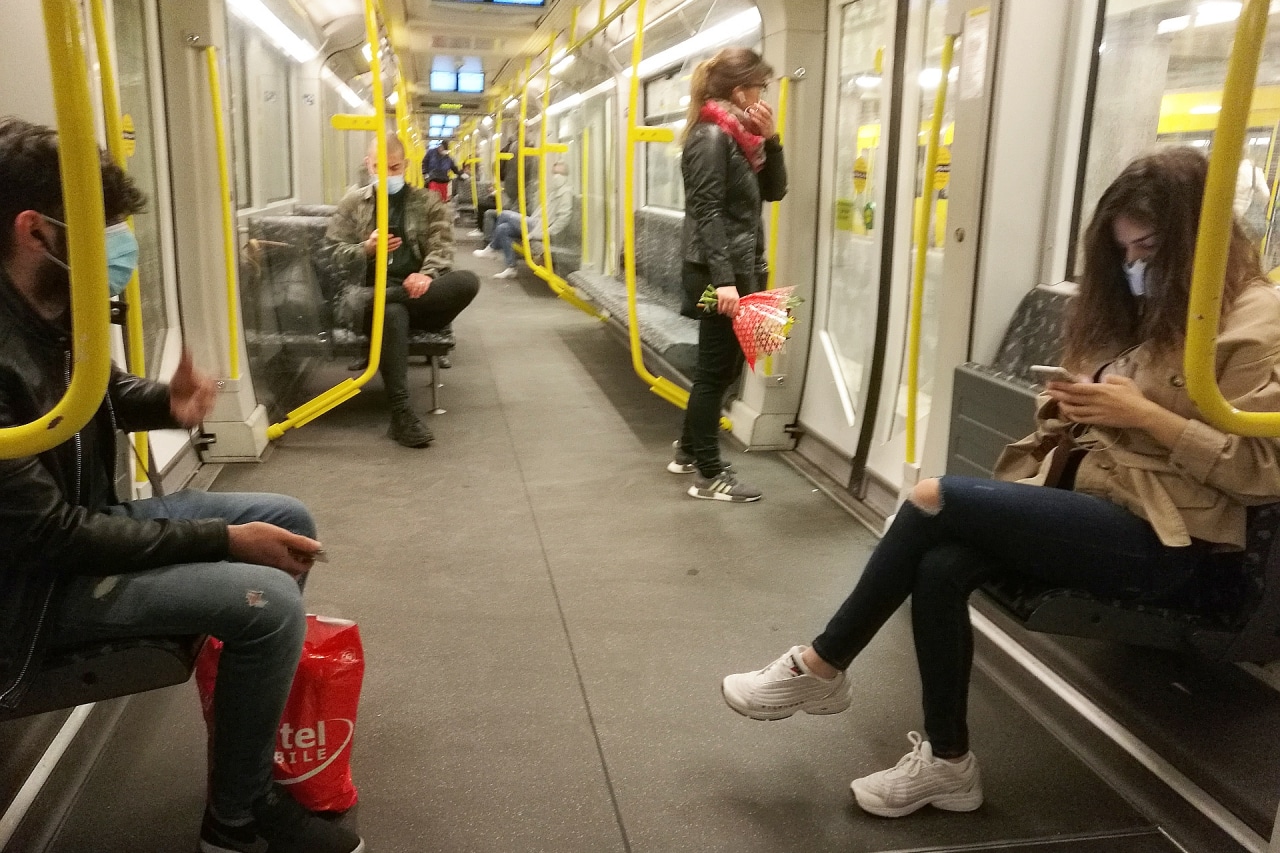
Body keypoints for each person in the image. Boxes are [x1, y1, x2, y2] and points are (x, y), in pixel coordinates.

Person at [720, 147, 1280, 817]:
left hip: (1174, 539)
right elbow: (1103, 414)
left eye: (1149, 249)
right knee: (942, 566)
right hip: (1096, 501)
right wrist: (1076, 403)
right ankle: (948, 764)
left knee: (932, 498)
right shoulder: (1153, 307)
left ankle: (820, 665)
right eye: (1125, 251)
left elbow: (1261, 473)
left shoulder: (1257, 322)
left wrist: (1145, 416)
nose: (1135, 266)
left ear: (1198, 239)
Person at [0, 117, 364, 853]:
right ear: (36, 231)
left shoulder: (50, 310)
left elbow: (94, 393)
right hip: (35, 589)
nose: (118, 246)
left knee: (287, 515)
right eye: (102, 228)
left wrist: (167, 401)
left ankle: (249, 733)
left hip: (82, 527)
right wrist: (224, 541)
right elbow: (44, 535)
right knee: (265, 604)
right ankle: (237, 818)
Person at [667, 47, 787, 502]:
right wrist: (724, 282)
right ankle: (709, 474)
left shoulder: (742, 139)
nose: (764, 94)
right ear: (741, 91)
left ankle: (688, 450)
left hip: (741, 269)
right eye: (761, 86)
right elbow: (707, 212)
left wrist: (772, 140)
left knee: (727, 368)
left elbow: (775, 191)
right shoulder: (710, 138)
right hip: (718, 275)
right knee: (716, 372)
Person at [326, 136, 480, 448]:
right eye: (378, 167)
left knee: (467, 281)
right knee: (392, 312)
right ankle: (401, 414)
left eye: (394, 168)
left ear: (406, 166)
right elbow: (331, 255)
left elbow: (442, 247)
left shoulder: (428, 202)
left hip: (419, 296)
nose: (386, 174)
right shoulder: (353, 204)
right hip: (371, 300)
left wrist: (425, 275)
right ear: (368, 165)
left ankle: (391, 297)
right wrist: (366, 248)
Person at [473, 159, 573, 279]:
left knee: (504, 215)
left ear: (566, 176)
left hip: (540, 228)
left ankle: (491, 248)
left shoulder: (565, 193)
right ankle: (511, 267)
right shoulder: (553, 192)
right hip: (535, 223)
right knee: (503, 229)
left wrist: (543, 234)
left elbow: (563, 219)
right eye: (555, 173)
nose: (557, 176)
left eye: (560, 173)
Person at [1234, 157, 1270, 246]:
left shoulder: (1225, 169)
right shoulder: (1255, 172)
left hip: (1227, 216)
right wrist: (1259, 207)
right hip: (1245, 217)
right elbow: (1266, 194)